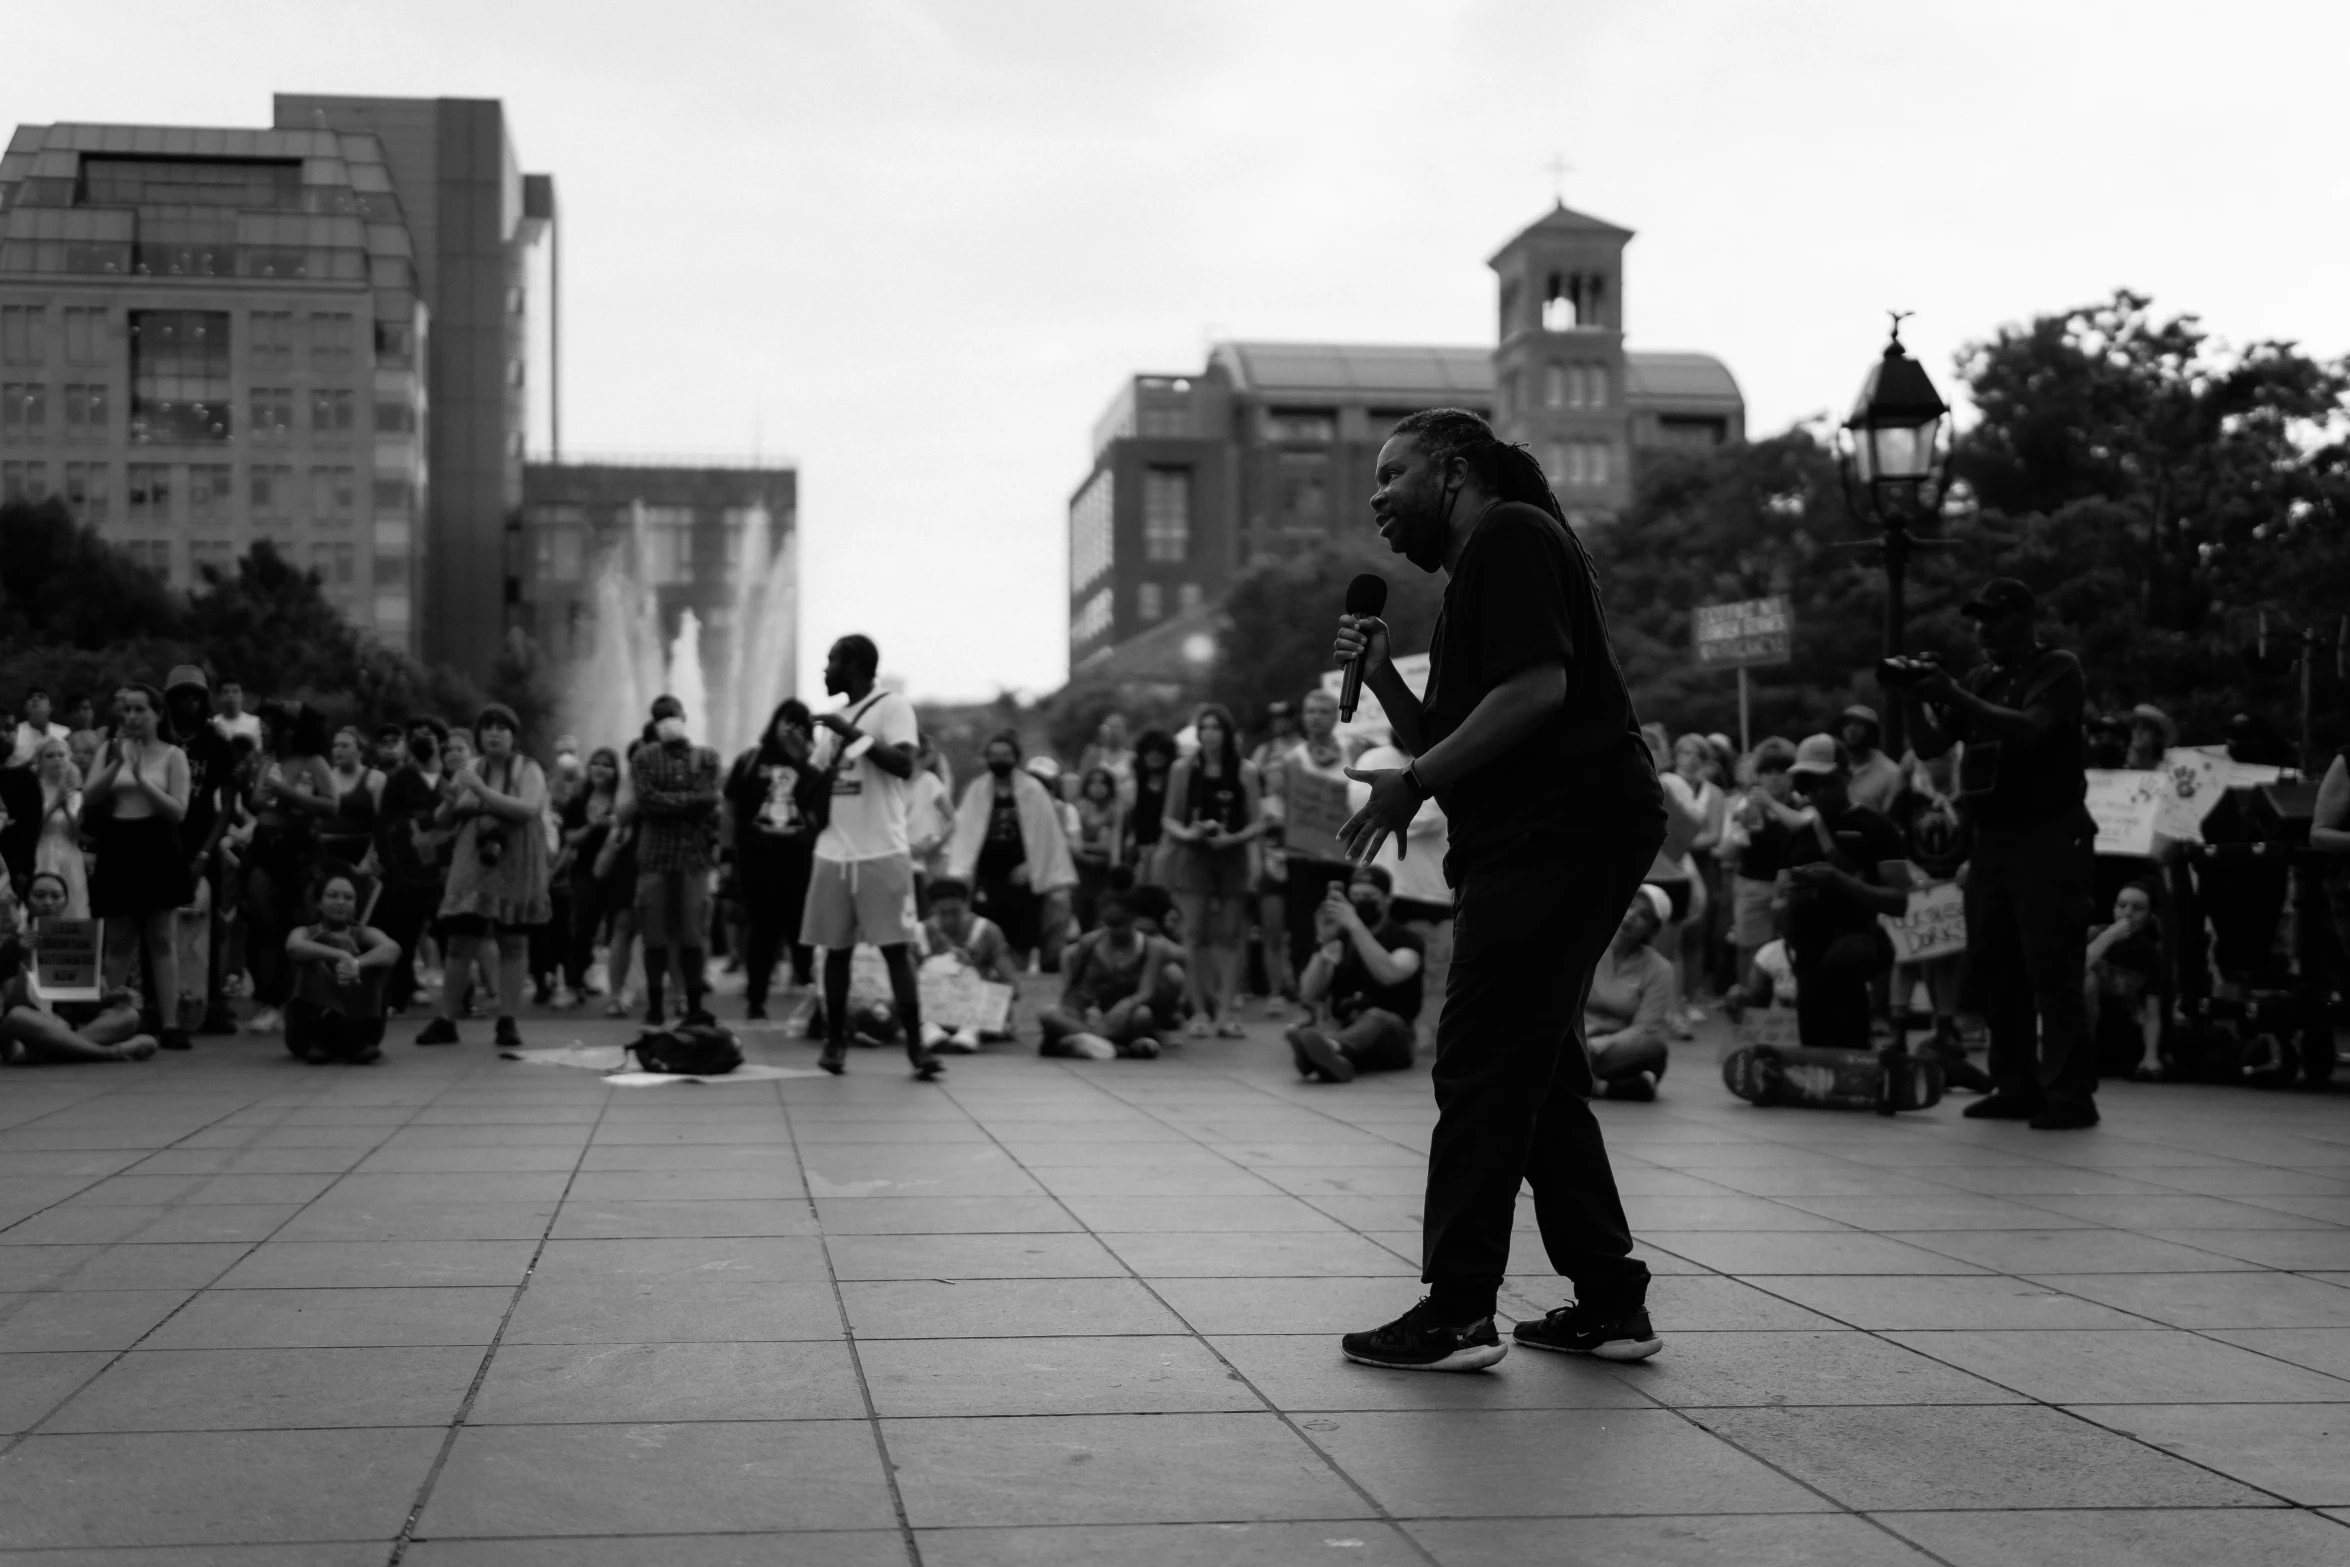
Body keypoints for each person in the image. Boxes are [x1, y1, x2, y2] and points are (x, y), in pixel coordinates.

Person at [1332, 406, 1663, 1372]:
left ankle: (1459, 1308)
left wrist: (1416, 783)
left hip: (1561, 830)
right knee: (1540, 1071)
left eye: (1395, 474)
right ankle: (1609, 1300)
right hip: (1549, 831)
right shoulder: (1485, 563)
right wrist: (1386, 683)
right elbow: (1458, 728)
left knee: (1478, 1057)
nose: (1378, 497)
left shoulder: (1512, 532)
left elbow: (1536, 695)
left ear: (1455, 469)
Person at [1903, 577, 2097, 1129]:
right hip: (1994, 838)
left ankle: (2069, 1092)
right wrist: (1917, 697)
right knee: (1998, 965)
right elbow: (1930, 746)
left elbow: (2033, 729)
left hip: (2049, 834)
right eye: (1978, 620)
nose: (1982, 630)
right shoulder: (1982, 677)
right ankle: (2015, 1083)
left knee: (2052, 966)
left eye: (1994, 619)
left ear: (2024, 618)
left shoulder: (2056, 669)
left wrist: (1953, 694)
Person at [801, 635, 942, 1080]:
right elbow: (817, 786)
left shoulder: (892, 707)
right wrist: (798, 756)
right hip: (832, 852)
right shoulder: (833, 720)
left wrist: (850, 735)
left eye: (831, 662)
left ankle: (918, 1050)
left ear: (854, 664)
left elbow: (904, 765)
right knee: (835, 952)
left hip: (882, 850)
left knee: (895, 952)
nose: (825, 671)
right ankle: (834, 1044)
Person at [414, 706, 550, 1050]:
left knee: (512, 941)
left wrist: (482, 794)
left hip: (515, 859)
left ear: (513, 735)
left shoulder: (529, 768)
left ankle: (507, 1020)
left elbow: (528, 809)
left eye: (502, 728)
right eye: (487, 728)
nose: (494, 734)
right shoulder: (472, 767)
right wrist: (451, 802)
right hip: (474, 860)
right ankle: (447, 1019)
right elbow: (443, 818)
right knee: (460, 938)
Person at [1780, 735, 1910, 1052]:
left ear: (1846, 776)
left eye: (1827, 781)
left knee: (1844, 966)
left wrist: (1842, 881)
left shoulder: (1877, 827)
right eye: (1811, 783)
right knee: (1814, 1039)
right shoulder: (1800, 831)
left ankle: (1860, 1046)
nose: (1819, 791)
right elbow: (1781, 894)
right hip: (1807, 943)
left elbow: (1899, 901)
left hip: (1857, 937)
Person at [83, 683, 193, 1052]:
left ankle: (171, 1021)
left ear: (158, 714)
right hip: (119, 843)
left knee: (161, 937)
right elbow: (88, 795)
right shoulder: (110, 749)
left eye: (140, 710)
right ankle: (112, 1017)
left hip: (157, 843)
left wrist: (143, 779)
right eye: (126, 710)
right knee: (119, 939)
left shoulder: (174, 755)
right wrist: (118, 762)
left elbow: (178, 810)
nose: (131, 717)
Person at [1161, 704, 1264, 1038]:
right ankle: (1199, 1010)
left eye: (1216, 728)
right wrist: (1189, 834)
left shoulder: (1245, 770)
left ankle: (1225, 1010)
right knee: (1194, 933)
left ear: (1227, 733)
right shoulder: (1183, 769)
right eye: (1204, 728)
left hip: (1231, 854)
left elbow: (1258, 822)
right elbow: (1169, 818)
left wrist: (1233, 837)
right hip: (1195, 854)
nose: (1210, 734)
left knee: (1232, 934)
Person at [240, 703, 338, 1035]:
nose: (264, 729)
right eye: (262, 723)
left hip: (300, 854)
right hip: (265, 849)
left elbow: (331, 804)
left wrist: (286, 793)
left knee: (303, 925)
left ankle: (308, 998)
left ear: (290, 730)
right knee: (264, 928)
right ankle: (271, 1001)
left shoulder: (314, 762)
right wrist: (262, 791)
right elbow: (255, 802)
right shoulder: (269, 760)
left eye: (271, 724)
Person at [947, 732, 1078, 972]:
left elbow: (1046, 835)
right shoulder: (976, 789)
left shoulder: (1033, 790)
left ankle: (1018, 973)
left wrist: (1032, 865)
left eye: (1005, 755)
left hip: (1022, 874)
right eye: (994, 755)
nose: (999, 760)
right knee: (985, 925)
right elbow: (965, 831)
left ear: (1016, 758)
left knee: (1022, 932)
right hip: (986, 873)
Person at [628, 696, 721, 1027]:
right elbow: (645, 801)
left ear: (684, 716)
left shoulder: (706, 756)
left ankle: (693, 1002)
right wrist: (689, 803)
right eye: (660, 717)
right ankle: (655, 1003)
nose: (668, 721)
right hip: (655, 858)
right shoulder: (643, 758)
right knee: (654, 934)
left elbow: (710, 798)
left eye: (672, 715)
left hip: (692, 859)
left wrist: (671, 802)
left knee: (691, 934)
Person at [724, 700, 819, 1020]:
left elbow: (825, 803)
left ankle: (814, 997)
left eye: (797, 724)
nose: (789, 729)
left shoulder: (813, 763)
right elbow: (730, 809)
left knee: (803, 931)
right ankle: (756, 999)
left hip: (801, 861)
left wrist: (804, 761)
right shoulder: (751, 761)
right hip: (757, 861)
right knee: (762, 931)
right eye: (785, 721)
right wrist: (725, 857)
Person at [1286, 864, 1424, 1084]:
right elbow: (1308, 993)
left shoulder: (1406, 940)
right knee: (1315, 1026)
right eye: (1356, 896)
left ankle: (1324, 1049)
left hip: (1394, 1037)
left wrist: (1355, 924)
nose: (1361, 902)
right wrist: (1324, 942)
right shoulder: (1342, 939)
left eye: (1369, 896)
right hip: (1347, 1028)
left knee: (1376, 1017)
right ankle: (1330, 1058)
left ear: (1387, 899)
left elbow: (1389, 973)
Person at [0, 872, 158, 1063]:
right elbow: (12, 1001)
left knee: (128, 1016)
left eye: (56, 896)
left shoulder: (82, 940)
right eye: (40, 896)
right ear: (27, 901)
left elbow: (89, 1003)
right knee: (18, 1017)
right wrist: (19, 954)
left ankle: (52, 1051)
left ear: (65, 901)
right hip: (31, 1027)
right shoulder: (13, 944)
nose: (48, 902)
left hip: (70, 1026)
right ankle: (109, 1053)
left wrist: (112, 996)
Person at [161, 667, 239, 1034]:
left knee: (212, 921)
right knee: (160, 922)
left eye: (195, 696)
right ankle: (161, 999)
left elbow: (227, 805)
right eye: (181, 696)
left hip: (202, 842)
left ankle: (213, 999)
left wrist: (207, 852)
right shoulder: (158, 735)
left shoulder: (216, 743)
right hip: (160, 842)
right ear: (170, 700)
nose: (188, 702)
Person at [1266, 689, 1353, 1013]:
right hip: (1302, 858)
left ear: (1335, 716)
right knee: (1303, 930)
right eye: (1310, 711)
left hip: (1344, 858)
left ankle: (1339, 1001)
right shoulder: (1289, 760)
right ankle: (1308, 1003)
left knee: (1343, 928)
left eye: (1322, 711)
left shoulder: (1353, 752)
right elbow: (1277, 808)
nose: (1315, 717)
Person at [1038, 876, 1170, 1060]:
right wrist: (1076, 1009)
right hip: (1089, 1013)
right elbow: (1073, 988)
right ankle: (1110, 1045)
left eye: (1120, 924)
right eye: (1108, 924)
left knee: (1143, 1015)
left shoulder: (1152, 947)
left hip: (1123, 1014)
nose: (1114, 931)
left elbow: (1146, 991)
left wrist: (1126, 1005)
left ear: (1133, 918)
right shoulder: (1090, 943)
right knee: (1048, 1014)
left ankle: (1088, 1042)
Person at [375, 718, 453, 1014]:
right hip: (405, 873)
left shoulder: (452, 781)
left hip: (444, 873)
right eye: (415, 733)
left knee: (449, 933)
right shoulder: (399, 781)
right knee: (403, 934)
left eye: (429, 733)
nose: (422, 737)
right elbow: (383, 826)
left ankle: (459, 995)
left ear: (441, 742)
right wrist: (390, 865)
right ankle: (400, 992)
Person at [284, 870, 399, 1064]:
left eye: (348, 897)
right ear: (318, 903)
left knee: (378, 961)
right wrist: (340, 954)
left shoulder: (363, 933)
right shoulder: (304, 932)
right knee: (316, 952)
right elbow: (294, 946)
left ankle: (347, 1031)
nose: (341, 902)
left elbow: (392, 949)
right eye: (333, 895)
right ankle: (324, 1033)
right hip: (310, 1033)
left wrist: (356, 963)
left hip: (357, 1028)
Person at [1581, 885, 1676, 1099]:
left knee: (1653, 1048)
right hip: (1574, 1038)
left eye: (1643, 915)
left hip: (1613, 1046)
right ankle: (1603, 1087)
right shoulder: (1589, 945)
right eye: (1629, 905)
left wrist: (1597, 1045)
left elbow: (1644, 1028)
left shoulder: (1659, 969)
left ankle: (1577, 1080)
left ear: (1653, 929)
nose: (1630, 916)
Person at [1722, 737, 1799, 990]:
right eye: (1768, 772)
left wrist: (1771, 805)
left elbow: (1801, 826)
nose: (1775, 778)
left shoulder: (1801, 805)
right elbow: (1727, 854)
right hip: (1752, 884)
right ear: (1759, 776)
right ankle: (1748, 999)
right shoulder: (1747, 807)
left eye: (1782, 772)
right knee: (1749, 947)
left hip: (1791, 887)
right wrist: (1740, 828)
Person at [916, 875, 1018, 1052]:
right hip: (932, 1008)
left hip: (973, 1008)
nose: (949, 919)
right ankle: (929, 1030)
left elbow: (1013, 985)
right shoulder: (919, 933)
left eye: (955, 912)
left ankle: (969, 1033)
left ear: (966, 905)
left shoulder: (987, 931)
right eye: (943, 913)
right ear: (932, 909)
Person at [556, 746, 625, 1005]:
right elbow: (569, 838)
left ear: (616, 770)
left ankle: (619, 988)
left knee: (620, 929)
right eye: (595, 763)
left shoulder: (623, 799)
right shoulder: (578, 799)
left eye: (607, 764)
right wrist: (592, 826)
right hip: (585, 871)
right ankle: (574, 983)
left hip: (619, 872)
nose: (600, 768)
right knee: (582, 927)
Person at [2085, 881, 2165, 1080]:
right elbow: (2075, 968)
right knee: (2088, 980)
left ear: (2148, 916)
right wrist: (2110, 935)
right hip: (2085, 1024)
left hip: (2122, 1029)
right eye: (2122, 905)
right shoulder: (2094, 934)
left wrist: (2151, 1056)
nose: (2127, 913)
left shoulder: (2151, 954)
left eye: (2137, 908)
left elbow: (2152, 1011)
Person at [31, 738, 88, 917]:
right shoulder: (32, 792)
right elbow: (30, 829)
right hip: (40, 852)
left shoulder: (77, 794)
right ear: (40, 761)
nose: (57, 759)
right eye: (50, 756)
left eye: (61, 755)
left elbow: (81, 834)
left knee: (73, 904)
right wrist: (55, 804)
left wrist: (66, 808)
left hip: (70, 854)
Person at [320, 726, 384, 871]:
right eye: (335, 746)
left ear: (360, 751)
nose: (338, 750)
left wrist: (369, 859)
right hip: (327, 856)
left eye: (345, 746)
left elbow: (382, 824)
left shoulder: (376, 779)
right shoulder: (324, 777)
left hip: (361, 855)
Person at [1069, 766, 1125, 930]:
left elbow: (1109, 847)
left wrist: (1080, 846)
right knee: (1083, 919)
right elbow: (1070, 845)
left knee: (1103, 919)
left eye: (1102, 783)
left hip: (1104, 875)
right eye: (1093, 783)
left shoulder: (1116, 810)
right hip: (1080, 875)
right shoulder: (1076, 809)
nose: (1097, 787)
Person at [1127, 729, 1177, 883]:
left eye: (1160, 751)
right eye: (1149, 751)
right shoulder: (1132, 787)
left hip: (1170, 853)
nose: (1154, 756)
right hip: (1140, 854)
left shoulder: (1176, 786)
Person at [1837, 706, 1904, 815]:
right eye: (1847, 724)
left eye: (1859, 724)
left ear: (1872, 731)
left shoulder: (1890, 773)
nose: (1851, 730)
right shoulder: (1835, 767)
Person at [8, 688, 70, 770]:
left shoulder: (65, 733)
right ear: (26, 707)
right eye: (31, 697)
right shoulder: (13, 733)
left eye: (41, 697)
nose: (35, 699)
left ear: (50, 707)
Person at [1077, 712, 1136, 794]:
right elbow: (1082, 780)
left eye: (1118, 728)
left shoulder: (1132, 758)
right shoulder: (1093, 755)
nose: (1114, 732)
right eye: (1111, 727)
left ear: (1125, 732)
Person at [2124, 703, 2176, 771]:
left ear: (2158, 737)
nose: (2138, 730)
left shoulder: (2166, 773)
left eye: (2146, 726)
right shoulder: (2117, 770)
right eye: (2133, 725)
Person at [211, 680, 262, 747]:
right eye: (226, 692)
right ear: (219, 697)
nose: (231, 695)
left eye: (235, 692)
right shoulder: (213, 722)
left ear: (242, 696)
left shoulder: (255, 722)